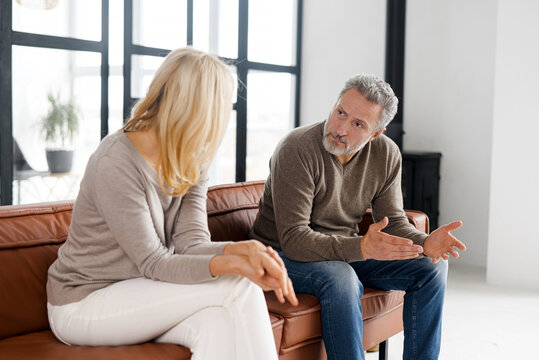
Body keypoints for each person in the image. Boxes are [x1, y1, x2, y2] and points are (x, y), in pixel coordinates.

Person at [46, 47, 297, 360]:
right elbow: (155, 262)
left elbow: (191, 244)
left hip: (140, 292)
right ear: (197, 108)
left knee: (217, 324)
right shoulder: (115, 162)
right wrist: (234, 264)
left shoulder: (193, 157)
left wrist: (243, 249)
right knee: (238, 286)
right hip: (82, 302)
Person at [251, 74, 466, 360]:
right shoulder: (296, 148)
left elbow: (396, 222)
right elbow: (293, 239)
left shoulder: (386, 154)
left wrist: (425, 243)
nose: (340, 128)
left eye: (358, 124)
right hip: (280, 253)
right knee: (342, 276)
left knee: (432, 268)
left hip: (343, 250)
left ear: (376, 133)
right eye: (340, 112)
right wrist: (360, 247)